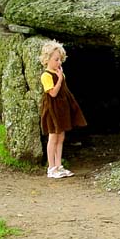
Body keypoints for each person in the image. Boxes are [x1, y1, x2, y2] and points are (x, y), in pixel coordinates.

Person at [39, 40, 87, 179]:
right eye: (56, 59)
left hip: (62, 109)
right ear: (48, 59)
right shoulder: (46, 76)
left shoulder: (61, 74)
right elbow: (53, 93)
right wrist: (59, 79)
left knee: (61, 137)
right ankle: (51, 167)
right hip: (52, 110)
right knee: (53, 137)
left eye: (60, 59)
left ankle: (59, 165)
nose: (59, 62)